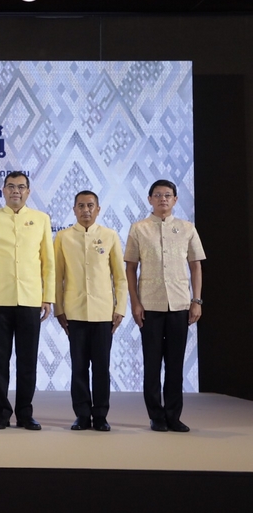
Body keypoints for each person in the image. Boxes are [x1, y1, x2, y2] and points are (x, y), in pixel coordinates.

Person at [0, 171, 54, 430]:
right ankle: (1, 413)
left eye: (20, 187)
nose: (15, 191)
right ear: (3, 190)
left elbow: (48, 263)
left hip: (31, 299)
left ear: (28, 191)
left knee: (27, 360)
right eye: (11, 186)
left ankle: (25, 413)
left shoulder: (41, 219)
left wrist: (48, 297)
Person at [125, 179, 205, 433]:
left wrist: (196, 300)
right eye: (158, 195)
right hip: (149, 304)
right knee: (151, 365)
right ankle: (156, 416)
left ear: (175, 199)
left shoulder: (187, 228)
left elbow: (196, 266)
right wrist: (135, 302)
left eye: (167, 195)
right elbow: (130, 268)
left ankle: (173, 416)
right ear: (149, 199)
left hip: (180, 304)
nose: (163, 199)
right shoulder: (139, 229)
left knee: (175, 364)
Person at [54, 191, 126, 432]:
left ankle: (101, 415)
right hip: (74, 312)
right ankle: (82, 415)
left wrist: (120, 307)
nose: (86, 210)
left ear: (98, 209)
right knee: (79, 367)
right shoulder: (63, 237)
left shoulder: (110, 235)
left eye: (90, 206)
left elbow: (120, 277)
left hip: (104, 313)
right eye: (81, 206)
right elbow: (57, 277)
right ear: (74, 209)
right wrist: (58, 309)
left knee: (102, 368)